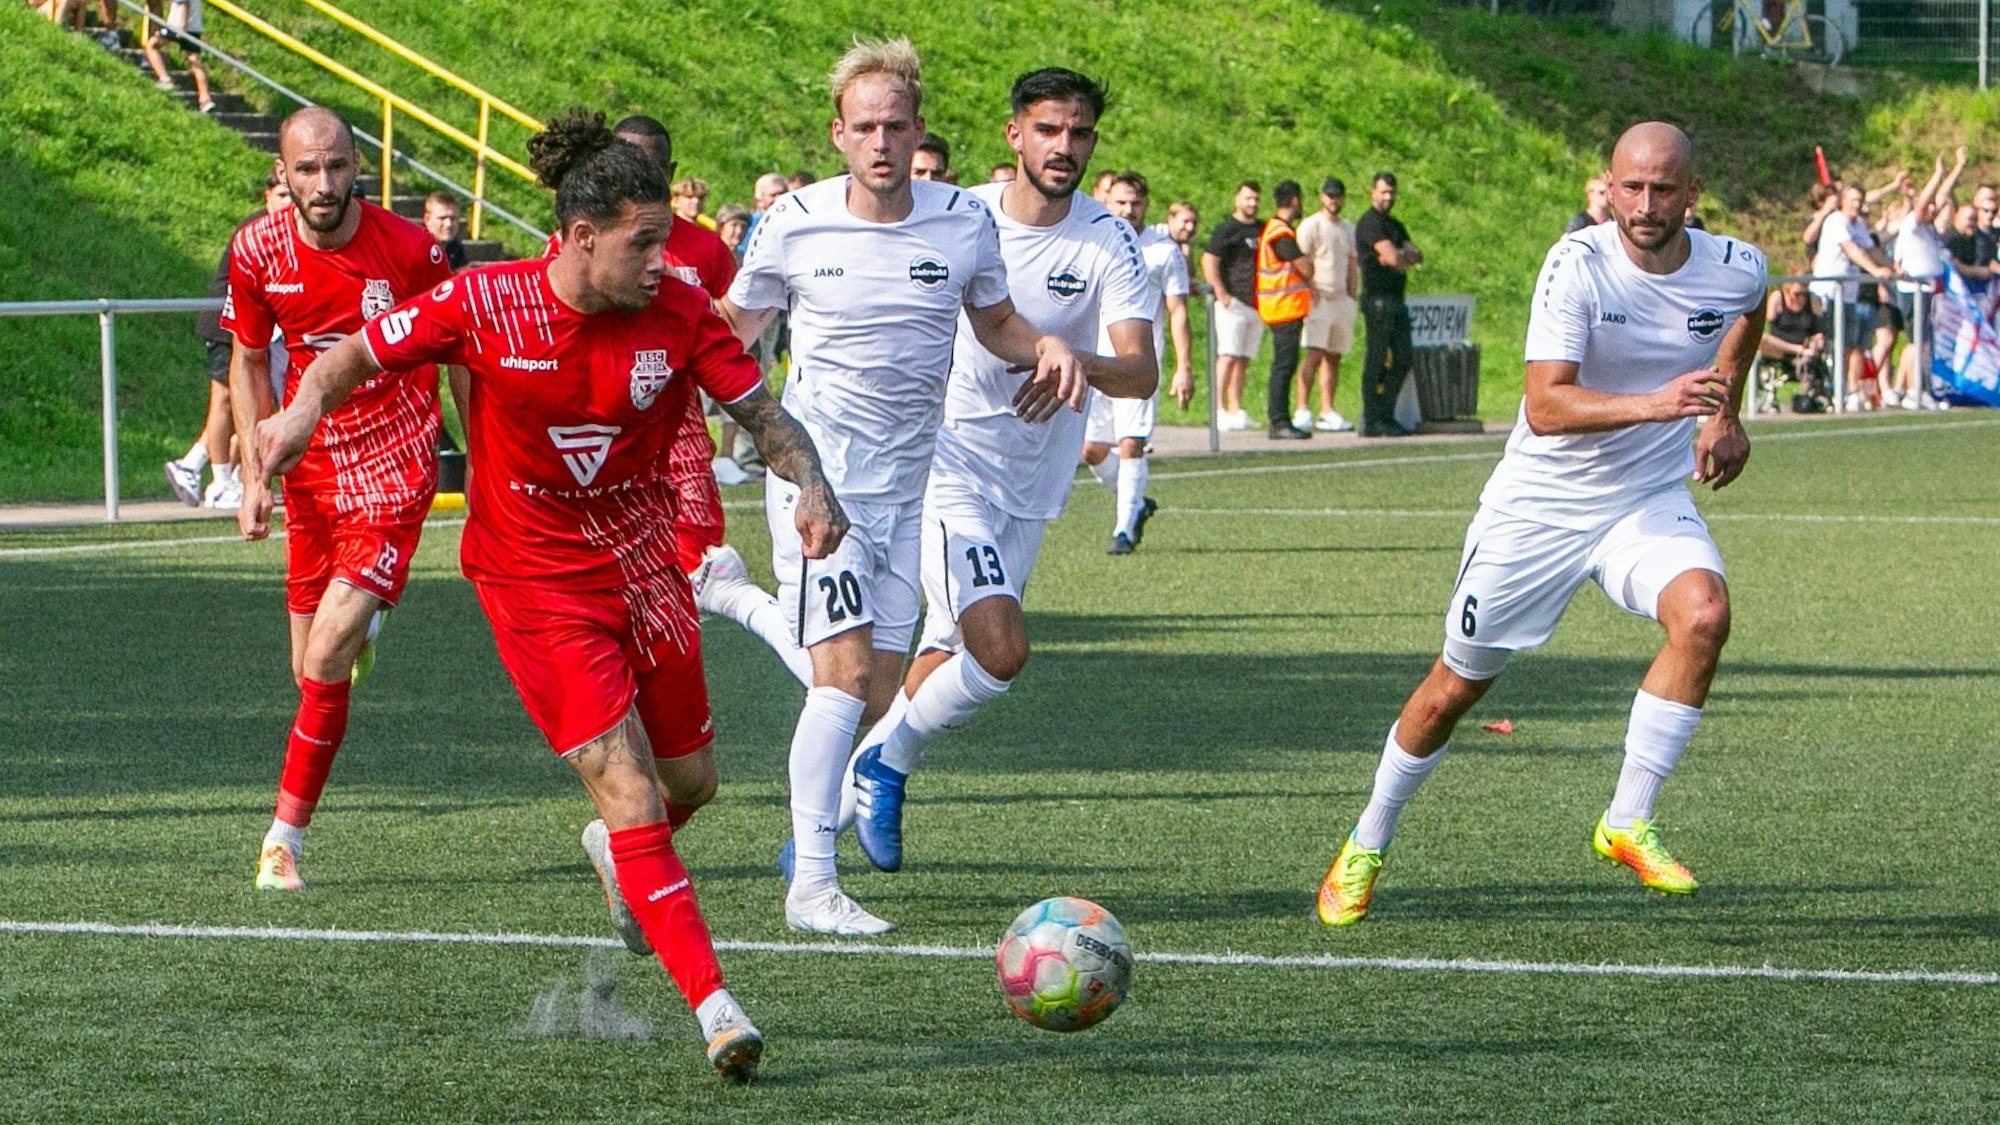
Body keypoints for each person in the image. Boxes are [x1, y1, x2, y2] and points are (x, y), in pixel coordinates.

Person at [257, 109, 837, 1083]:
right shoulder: (485, 303)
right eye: (642, 242)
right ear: (578, 238)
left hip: (645, 573)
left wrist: (812, 483)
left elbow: (762, 415)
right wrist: (301, 409)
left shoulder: (679, 313)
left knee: (689, 783)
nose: (663, 261)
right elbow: (350, 354)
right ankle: (717, 1007)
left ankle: (623, 858)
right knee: (624, 783)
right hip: (532, 583)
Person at [1316, 123, 1768, 926]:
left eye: (1665, 189)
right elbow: (1545, 405)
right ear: (1609, 185)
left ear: (1693, 193)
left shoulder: (1734, 266)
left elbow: (1748, 309)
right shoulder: (1578, 265)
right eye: (1631, 187)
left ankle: (1627, 819)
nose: (1646, 204)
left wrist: (1722, 408)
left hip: (1645, 497)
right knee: (1453, 689)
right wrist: (1661, 403)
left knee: (1704, 613)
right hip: (1540, 507)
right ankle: (1367, 839)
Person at [718, 38, 1081, 936]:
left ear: (919, 130)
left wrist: (1045, 344)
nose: (881, 142)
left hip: (910, 485)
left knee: (873, 691)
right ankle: (812, 884)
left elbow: (993, 320)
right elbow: (732, 325)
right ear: (839, 135)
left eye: (896, 125)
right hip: (818, 482)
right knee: (841, 682)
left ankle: (734, 599)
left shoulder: (963, 221)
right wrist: (712, 415)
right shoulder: (794, 220)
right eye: (864, 127)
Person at [840, 66, 1154, 876]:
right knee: (1001, 649)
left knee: (948, 655)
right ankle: (883, 765)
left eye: (1080, 133)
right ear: (1015, 134)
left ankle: (825, 818)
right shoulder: (960, 215)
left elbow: (1140, 370)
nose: (1065, 147)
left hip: (1033, 481)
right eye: (1049, 130)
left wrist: (1071, 362)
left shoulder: (1107, 238)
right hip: (946, 465)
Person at [221, 107, 457, 893]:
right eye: (307, 170)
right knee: (309, 670)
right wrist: (256, 476)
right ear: (281, 177)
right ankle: (369, 614)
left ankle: (282, 839)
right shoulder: (256, 250)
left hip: (393, 467)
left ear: (361, 167)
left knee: (326, 654)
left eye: (339, 167)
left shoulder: (411, 249)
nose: (325, 184)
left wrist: (481, 462)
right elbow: (251, 358)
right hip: (311, 471)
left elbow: (461, 351)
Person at [1082, 170, 1192, 554]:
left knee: (1131, 444)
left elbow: (1177, 310)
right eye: (1121, 203)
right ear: (1107, 202)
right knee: (1092, 451)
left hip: (1139, 363)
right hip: (1092, 360)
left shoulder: (1163, 250)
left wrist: (1183, 366)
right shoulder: (1092, 241)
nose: (1129, 210)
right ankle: (1137, 503)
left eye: (1136, 203)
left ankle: (1124, 529)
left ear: (1147, 206)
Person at [168, 172, 292, 509]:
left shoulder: (286, 230)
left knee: (256, 402)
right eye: (281, 195)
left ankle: (196, 465)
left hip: (255, 329)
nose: (287, 204)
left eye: (290, 197)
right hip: (226, 324)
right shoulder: (257, 230)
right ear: (267, 196)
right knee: (224, 402)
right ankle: (220, 481)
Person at [1808, 182, 1896, 401]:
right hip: (1827, 292)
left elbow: (1870, 248)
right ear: (1843, 201)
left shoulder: (1858, 225)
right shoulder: (1836, 221)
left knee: (1852, 344)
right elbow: (1852, 250)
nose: (1857, 204)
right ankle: (1832, 389)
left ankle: (1849, 390)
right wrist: (1875, 270)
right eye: (1853, 200)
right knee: (1835, 343)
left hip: (1848, 294)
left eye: (1860, 200)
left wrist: (1891, 268)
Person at [1355, 171, 1423, 437]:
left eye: (1391, 192)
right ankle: (1371, 419)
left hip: (1397, 299)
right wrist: (1398, 257)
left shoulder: (1394, 225)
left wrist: (1400, 256)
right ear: (1373, 191)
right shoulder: (1369, 223)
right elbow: (1393, 258)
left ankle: (1386, 413)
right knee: (1376, 359)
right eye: (1383, 192)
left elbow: (1415, 254)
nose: (1387, 197)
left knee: (1404, 358)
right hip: (1378, 299)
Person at [1294, 176, 1359, 433]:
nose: (1334, 200)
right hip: (1318, 297)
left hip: (1341, 298)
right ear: (1322, 197)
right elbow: (1302, 261)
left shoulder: (1347, 228)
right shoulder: (1312, 225)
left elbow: (1352, 262)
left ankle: (1327, 409)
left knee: (1334, 356)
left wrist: (1352, 295)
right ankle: (1301, 408)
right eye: (1330, 196)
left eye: (1338, 196)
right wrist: (1310, 289)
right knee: (1313, 353)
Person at [1201, 181, 1262, 431]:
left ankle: (1236, 408)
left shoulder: (1262, 228)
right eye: (1248, 198)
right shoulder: (1227, 229)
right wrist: (1221, 292)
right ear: (1237, 199)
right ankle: (1218, 409)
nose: (1252, 203)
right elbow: (1209, 259)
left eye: (1256, 199)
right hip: (1232, 302)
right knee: (1228, 355)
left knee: (1243, 358)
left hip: (1256, 303)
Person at [1255, 180, 1313, 440]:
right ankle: (1279, 421)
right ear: (1294, 200)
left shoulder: (1275, 229)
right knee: (1284, 366)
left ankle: (1281, 420)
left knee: (1285, 365)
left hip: (1284, 308)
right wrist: (1309, 263)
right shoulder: (1280, 233)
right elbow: (1305, 268)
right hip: (1282, 308)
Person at [1758, 282, 1828, 412]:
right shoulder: (1778, 298)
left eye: (1804, 294)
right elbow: (1767, 323)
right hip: (1780, 346)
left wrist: (1816, 343)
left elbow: (1819, 333)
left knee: (1812, 356)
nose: (1801, 298)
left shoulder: (1812, 301)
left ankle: (1810, 396)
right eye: (1797, 294)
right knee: (1762, 340)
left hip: (1805, 347)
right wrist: (1798, 349)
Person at [142, 0, 213, 114]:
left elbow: (184, 4)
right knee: (194, 60)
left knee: (151, 46)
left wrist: (181, 28)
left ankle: (165, 79)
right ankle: (205, 99)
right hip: (195, 28)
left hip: (177, 26)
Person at [421, 191, 468, 270]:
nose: (448, 224)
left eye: (453, 218)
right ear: (427, 220)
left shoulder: (455, 248)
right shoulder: (417, 249)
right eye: (442, 218)